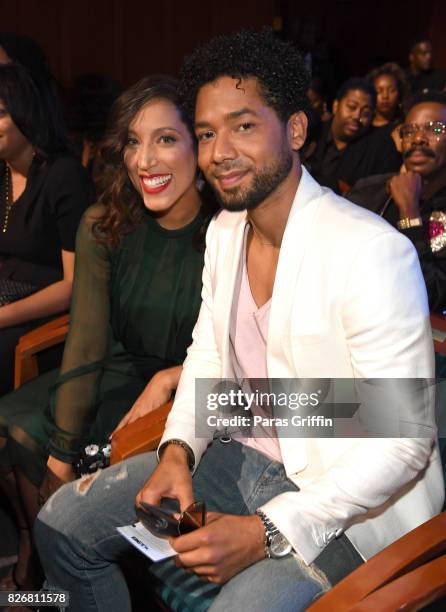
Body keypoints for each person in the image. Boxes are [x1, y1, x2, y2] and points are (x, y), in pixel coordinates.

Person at [35, 30, 443, 612]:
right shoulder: (226, 231)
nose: (218, 151)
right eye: (205, 133)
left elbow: (403, 442)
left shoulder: (370, 251)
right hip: (240, 449)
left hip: (346, 494)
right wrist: (178, 451)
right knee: (60, 524)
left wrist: (266, 530)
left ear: (295, 130)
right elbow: (208, 355)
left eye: (243, 125)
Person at [0, 75, 214, 595]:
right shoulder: (105, 223)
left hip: (194, 390)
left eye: (165, 139)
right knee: (16, 425)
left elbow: (248, 353)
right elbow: (88, 341)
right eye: (134, 143)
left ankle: (56, 568)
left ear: (200, 147)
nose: (145, 161)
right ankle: (42, 556)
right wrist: (60, 451)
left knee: (67, 451)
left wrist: (173, 376)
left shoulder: (228, 230)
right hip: (119, 365)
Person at [0, 63, 92, 396]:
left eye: (0, 113)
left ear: (27, 116)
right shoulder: (4, 173)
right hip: (6, 299)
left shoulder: (63, 177)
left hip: (44, 317)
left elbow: (73, 285)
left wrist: (4, 316)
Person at [347, 91, 446, 313]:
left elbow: (433, 295)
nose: (418, 138)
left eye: (436, 129)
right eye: (409, 131)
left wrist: (409, 213)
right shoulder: (368, 191)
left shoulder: (441, 212)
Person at [306, 77, 375, 192]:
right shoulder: (314, 131)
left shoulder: (372, 148)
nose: (357, 116)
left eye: (366, 113)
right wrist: (336, 185)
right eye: (352, 107)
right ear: (336, 105)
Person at [367, 62, 407, 129]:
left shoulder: (406, 125)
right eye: (379, 91)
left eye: (391, 90)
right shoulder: (364, 127)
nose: (385, 96)